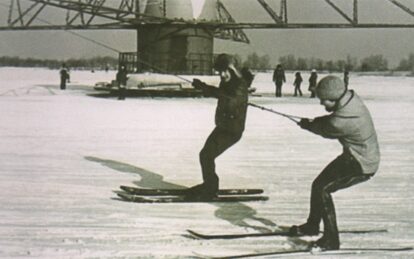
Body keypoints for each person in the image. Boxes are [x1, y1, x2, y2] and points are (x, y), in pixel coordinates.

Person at [290, 75, 380, 251]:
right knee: (318, 185)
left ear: (334, 98)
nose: (322, 104)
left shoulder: (343, 119)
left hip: (362, 163)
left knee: (323, 189)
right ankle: (312, 225)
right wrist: (313, 122)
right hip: (354, 155)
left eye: (324, 100)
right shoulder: (350, 101)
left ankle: (331, 240)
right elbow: (330, 119)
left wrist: (309, 124)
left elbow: (328, 128)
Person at [186, 54, 252, 200]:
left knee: (206, 156)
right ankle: (209, 185)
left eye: (224, 71)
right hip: (223, 126)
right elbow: (222, 94)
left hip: (232, 130)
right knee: (205, 155)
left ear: (232, 70)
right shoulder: (228, 83)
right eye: (219, 72)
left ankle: (210, 189)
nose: (221, 75)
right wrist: (204, 87)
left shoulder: (240, 85)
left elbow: (230, 100)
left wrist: (206, 88)